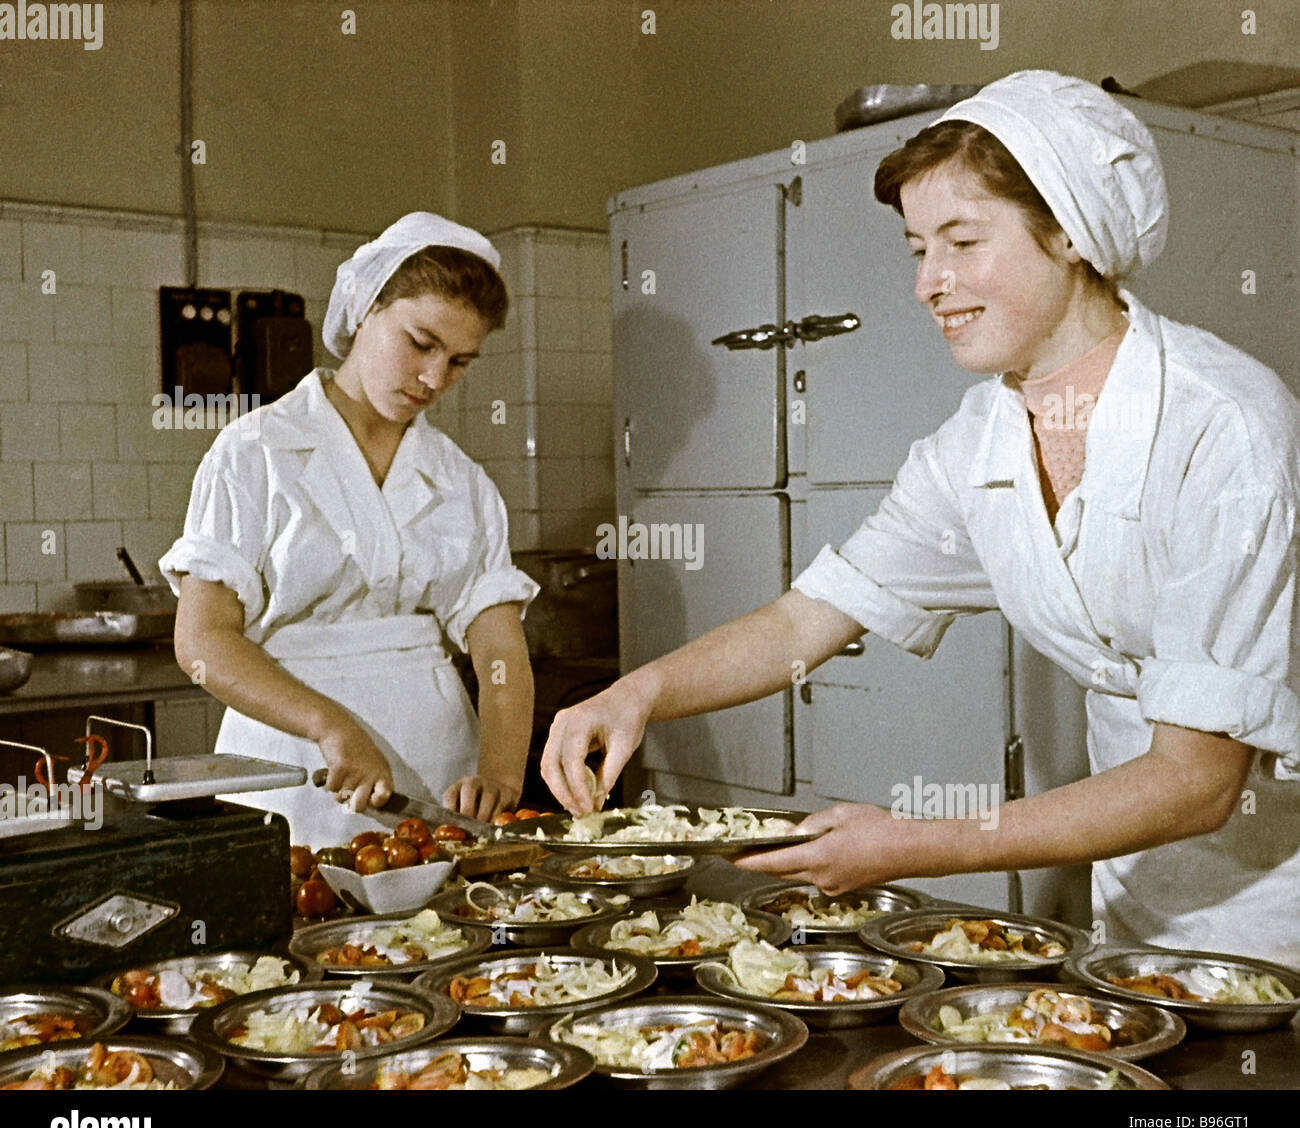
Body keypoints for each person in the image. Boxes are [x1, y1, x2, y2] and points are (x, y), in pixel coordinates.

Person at [541, 72, 1300, 966]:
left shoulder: (1223, 427)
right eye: (917, 249)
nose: (929, 285)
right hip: (1137, 892)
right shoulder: (979, 443)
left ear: (1069, 233)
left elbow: (1198, 782)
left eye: (963, 242)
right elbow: (806, 620)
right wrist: (637, 693)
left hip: (1276, 892)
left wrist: (914, 844)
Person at [161, 213, 539, 847]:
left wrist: (500, 770)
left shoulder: (462, 482)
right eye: (420, 343)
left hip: (436, 776)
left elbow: (499, 648)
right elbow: (202, 641)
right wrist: (328, 724)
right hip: (293, 769)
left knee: (440, 909)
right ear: (365, 308)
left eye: (459, 361)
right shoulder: (253, 453)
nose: (434, 378)